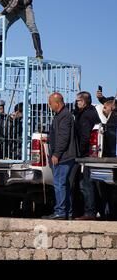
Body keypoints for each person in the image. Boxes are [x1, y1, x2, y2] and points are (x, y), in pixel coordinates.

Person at [43, 93, 77, 220]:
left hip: (64, 157)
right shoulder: (60, 115)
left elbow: (64, 137)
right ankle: (67, 212)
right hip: (64, 156)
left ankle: (60, 212)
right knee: (64, 184)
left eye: (50, 103)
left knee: (59, 184)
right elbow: (58, 135)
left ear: (57, 103)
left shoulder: (65, 116)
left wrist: (56, 154)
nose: (49, 106)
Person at [71, 92, 101, 220]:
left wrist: (80, 153)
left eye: (78, 101)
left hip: (86, 155)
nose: (76, 103)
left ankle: (89, 212)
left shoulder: (85, 116)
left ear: (84, 101)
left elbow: (84, 137)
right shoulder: (91, 112)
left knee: (85, 184)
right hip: (90, 154)